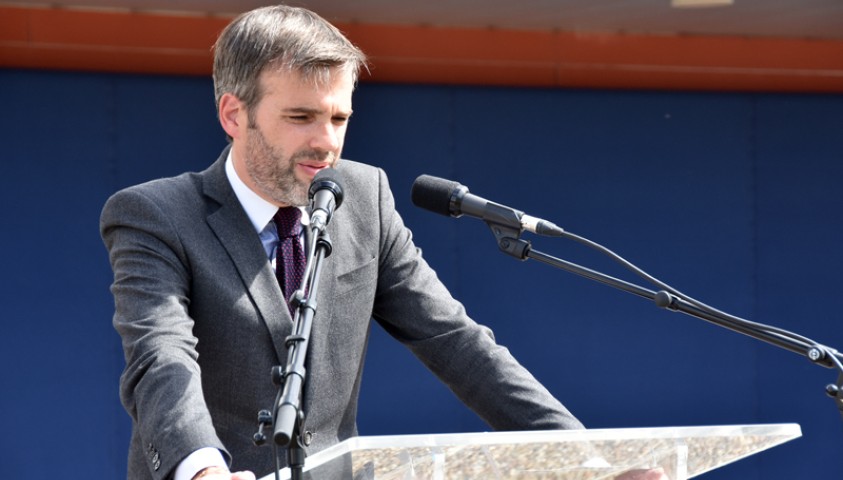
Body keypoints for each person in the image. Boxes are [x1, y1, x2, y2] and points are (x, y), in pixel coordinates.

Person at [101, 5, 652, 480]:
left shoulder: (362, 195)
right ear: (233, 114)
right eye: (301, 117)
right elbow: (161, 357)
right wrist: (203, 468)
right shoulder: (156, 214)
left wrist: (586, 460)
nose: (327, 142)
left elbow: (455, 340)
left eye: (339, 118)